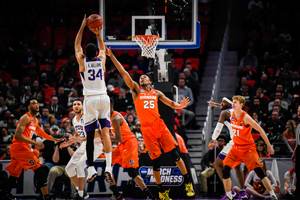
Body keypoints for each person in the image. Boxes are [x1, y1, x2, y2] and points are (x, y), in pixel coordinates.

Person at [106, 46, 195, 199]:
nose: (142, 78)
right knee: (156, 163)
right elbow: (123, 73)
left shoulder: (156, 92)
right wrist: (112, 56)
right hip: (147, 130)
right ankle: (161, 191)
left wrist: (180, 105)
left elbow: (172, 104)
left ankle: (188, 182)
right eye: (141, 77)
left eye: (145, 77)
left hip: (159, 125)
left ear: (150, 81)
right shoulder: (135, 90)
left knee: (175, 154)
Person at [0, 98, 64, 200]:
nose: (37, 105)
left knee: (12, 180)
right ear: (29, 107)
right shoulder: (26, 117)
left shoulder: (35, 121)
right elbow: (17, 135)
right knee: (40, 170)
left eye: (37, 103)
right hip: (19, 148)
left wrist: (56, 139)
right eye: (34, 104)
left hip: (21, 149)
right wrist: (34, 142)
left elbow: (42, 134)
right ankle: (46, 196)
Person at [74, 15, 112, 183]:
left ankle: (90, 169)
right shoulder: (102, 60)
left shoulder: (82, 63)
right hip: (104, 98)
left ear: (84, 54)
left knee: (90, 137)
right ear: (96, 53)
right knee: (105, 133)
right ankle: (109, 167)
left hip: (90, 100)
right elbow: (103, 50)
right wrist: (98, 34)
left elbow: (76, 46)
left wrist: (83, 27)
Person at [222, 95, 277, 200]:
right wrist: (215, 104)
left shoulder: (246, 117)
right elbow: (223, 105)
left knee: (259, 171)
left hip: (248, 148)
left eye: (235, 102)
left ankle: (272, 194)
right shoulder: (232, 113)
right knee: (225, 169)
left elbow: (260, 130)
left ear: (241, 105)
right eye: (232, 102)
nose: (232, 104)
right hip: (236, 147)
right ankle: (229, 196)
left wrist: (269, 146)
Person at [108, 98, 155, 200]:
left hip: (129, 143)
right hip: (121, 145)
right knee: (105, 165)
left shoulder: (115, 117)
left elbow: (118, 138)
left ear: (110, 105)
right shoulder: (107, 117)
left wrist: (105, 137)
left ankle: (150, 196)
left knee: (132, 172)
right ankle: (117, 195)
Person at [207, 98, 247, 200]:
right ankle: (243, 192)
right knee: (237, 166)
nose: (221, 104)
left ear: (229, 103)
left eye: (222, 102)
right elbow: (223, 105)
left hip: (235, 142)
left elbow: (219, 127)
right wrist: (215, 104)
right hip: (244, 141)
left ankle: (230, 191)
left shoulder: (225, 112)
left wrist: (212, 140)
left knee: (218, 164)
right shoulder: (239, 111)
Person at [64, 98, 103, 199]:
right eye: (74, 104)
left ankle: (80, 195)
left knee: (81, 164)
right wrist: (68, 142)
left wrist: (81, 140)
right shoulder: (74, 120)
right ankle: (83, 192)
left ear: (82, 106)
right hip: (84, 145)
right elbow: (77, 136)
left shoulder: (88, 117)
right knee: (69, 169)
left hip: (95, 145)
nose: (76, 106)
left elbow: (98, 133)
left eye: (78, 104)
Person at [292, 105, 300, 199]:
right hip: (299, 150)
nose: (298, 113)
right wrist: (294, 153)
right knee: (298, 173)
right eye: (297, 111)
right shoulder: (298, 126)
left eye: (299, 111)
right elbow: (298, 143)